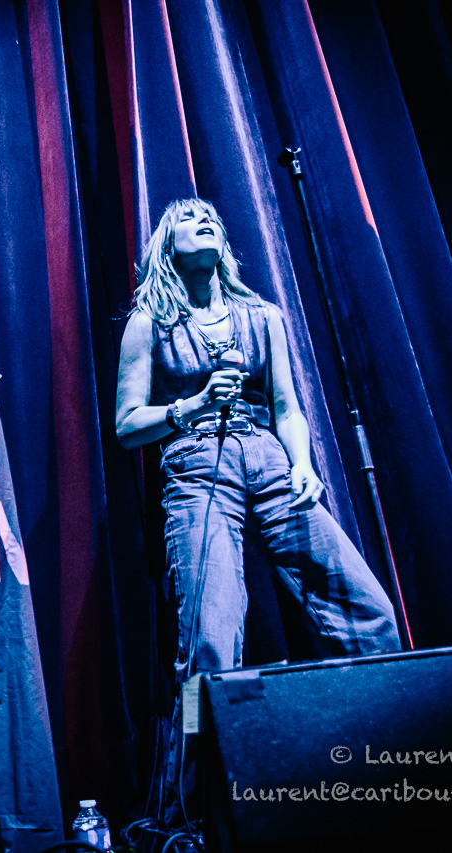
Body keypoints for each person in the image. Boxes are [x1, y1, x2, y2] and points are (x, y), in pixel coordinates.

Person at [115, 198, 400, 819]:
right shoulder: (148, 323)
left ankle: (372, 769)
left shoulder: (262, 315)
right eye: (188, 219)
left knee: (369, 612)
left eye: (212, 218)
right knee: (208, 645)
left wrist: (303, 464)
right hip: (195, 465)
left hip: (269, 457)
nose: (205, 222)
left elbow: (288, 406)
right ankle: (193, 813)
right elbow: (127, 425)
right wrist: (190, 405)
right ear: (167, 244)